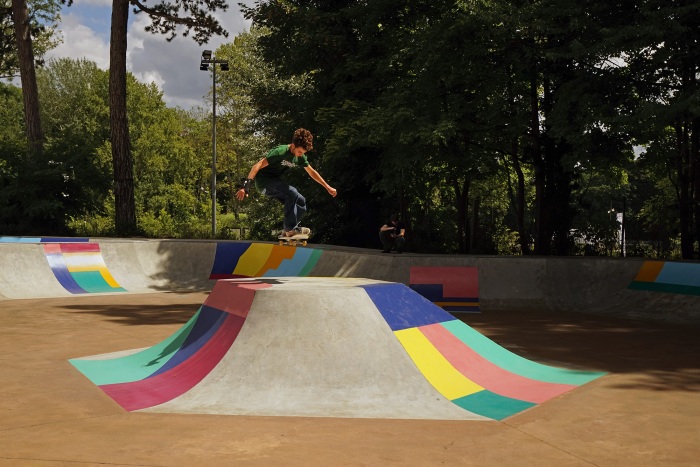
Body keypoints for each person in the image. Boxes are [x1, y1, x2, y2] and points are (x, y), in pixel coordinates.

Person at [235, 128, 337, 237]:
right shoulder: (280, 152)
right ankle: (289, 228)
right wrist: (245, 186)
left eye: (302, 153)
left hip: (275, 183)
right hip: (264, 183)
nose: (300, 155)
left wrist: (327, 187)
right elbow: (257, 165)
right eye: (299, 152)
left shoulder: (300, 157)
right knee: (292, 192)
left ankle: (289, 229)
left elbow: (312, 172)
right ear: (293, 145)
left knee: (300, 201)